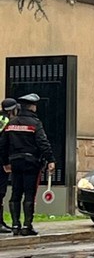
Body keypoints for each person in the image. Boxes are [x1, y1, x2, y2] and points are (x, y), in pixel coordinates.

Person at [0, 94, 55, 236]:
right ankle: (27, 226)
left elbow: (3, 145)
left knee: (15, 194)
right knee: (29, 194)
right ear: (32, 107)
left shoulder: (11, 123)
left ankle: (15, 225)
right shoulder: (35, 123)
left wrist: (5, 162)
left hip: (15, 163)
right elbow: (43, 143)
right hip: (31, 163)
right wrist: (51, 160)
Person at [0, 98, 19, 233]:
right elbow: (3, 145)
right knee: (0, 193)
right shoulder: (6, 122)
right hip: (1, 163)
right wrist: (6, 163)